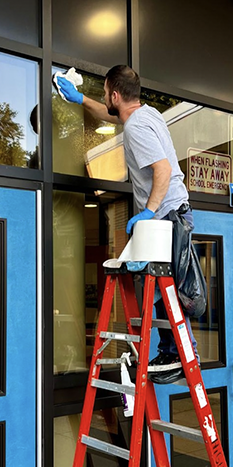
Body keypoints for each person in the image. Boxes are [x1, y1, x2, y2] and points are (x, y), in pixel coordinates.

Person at [56, 65, 199, 383]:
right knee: (165, 286)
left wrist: (148, 212)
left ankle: (179, 355)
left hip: (167, 215)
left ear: (116, 94)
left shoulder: (136, 128)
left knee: (167, 288)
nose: (104, 98)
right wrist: (80, 98)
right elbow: (112, 116)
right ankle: (173, 352)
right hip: (174, 212)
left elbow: (161, 170)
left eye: (106, 93)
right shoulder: (147, 114)